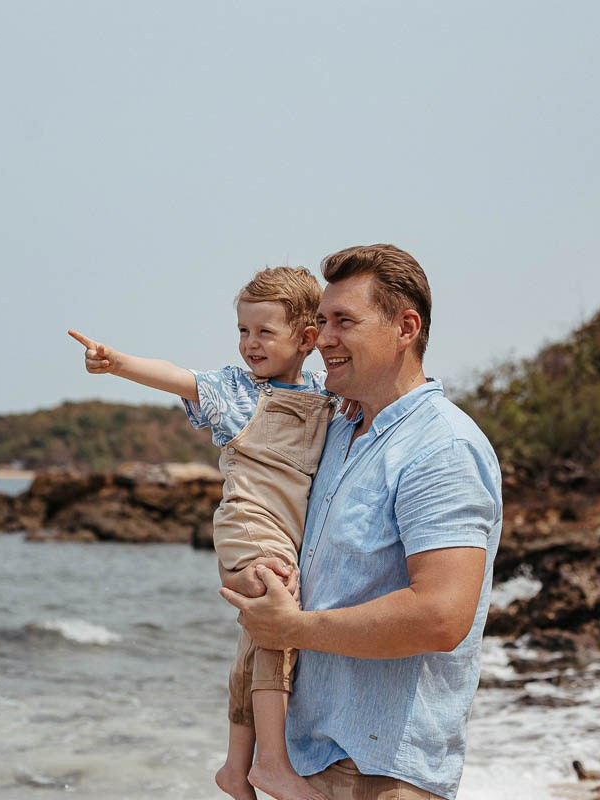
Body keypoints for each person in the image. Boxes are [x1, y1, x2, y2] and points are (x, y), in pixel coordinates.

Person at [220, 244, 503, 800]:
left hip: (383, 775)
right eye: (322, 321)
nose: (322, 338)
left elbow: (443, 616)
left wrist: (291, 628)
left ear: (405, 327)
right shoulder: (341, 431)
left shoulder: (441, 447)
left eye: (344, 321)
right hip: (307, 763)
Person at [69, 266, 346, 800]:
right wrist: (117, 362)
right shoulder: (236, 390)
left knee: (256, 637)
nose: (249, 344)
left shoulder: (322, 391)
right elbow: (176, 376)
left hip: (291, 535)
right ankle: (274, 762)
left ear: (307, 339)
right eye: (243, 331)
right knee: (279, 613)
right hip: (250, 523)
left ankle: (235, 767)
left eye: (264, 332)